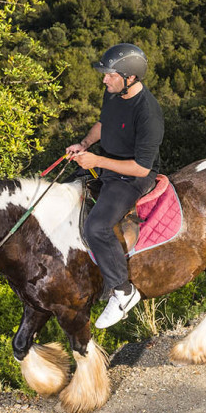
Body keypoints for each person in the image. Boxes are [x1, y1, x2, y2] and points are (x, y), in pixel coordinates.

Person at [67, 43, 164, 328]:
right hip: (107, 163)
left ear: (130, 78)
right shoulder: (113, 92)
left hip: (131, 177)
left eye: (110, 75)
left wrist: (96, 159)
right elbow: (102, 123)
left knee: (96, 227)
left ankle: (122, 291)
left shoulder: (148, 113)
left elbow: (142, 168)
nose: (104, 79)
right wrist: (84, 144)